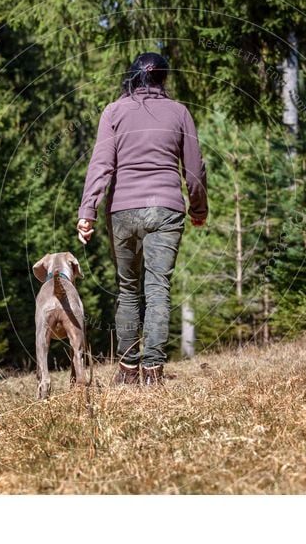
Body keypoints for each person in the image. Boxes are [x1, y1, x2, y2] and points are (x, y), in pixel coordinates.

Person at [77, 52, 208, 386]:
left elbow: (101, 164)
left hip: (122, 211)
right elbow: (193, 172)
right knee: (158, 289)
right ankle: (153, 372)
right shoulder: (179, 112)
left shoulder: (114, 111)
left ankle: (127, 371)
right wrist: (198, 210)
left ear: (132, 76)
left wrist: (87, 212)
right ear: (163, 79)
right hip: (166, 210)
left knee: (128, 290)